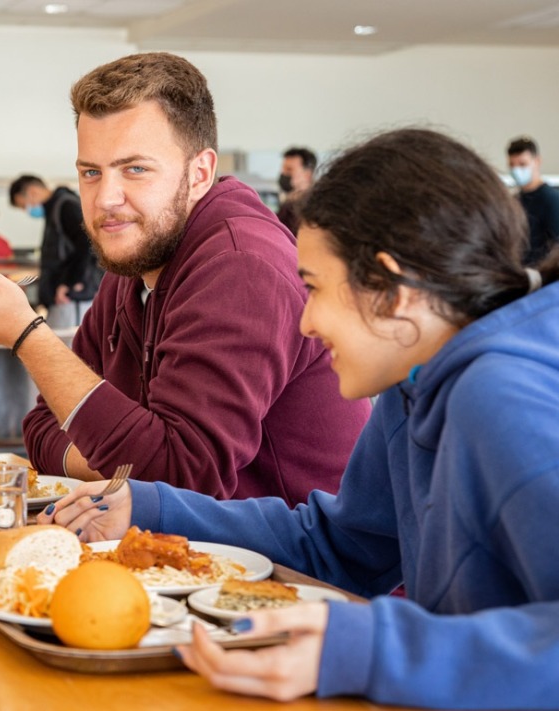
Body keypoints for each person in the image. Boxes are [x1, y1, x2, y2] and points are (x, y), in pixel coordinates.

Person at [40, 128, 559, 709]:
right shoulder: (410, 385)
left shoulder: (500, 397)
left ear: (390, 287)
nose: (306, 322)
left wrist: (368, 649)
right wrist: (155, 506)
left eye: (312, 288)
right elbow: (342, 546)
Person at [0, 53, 369, 506]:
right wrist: (126, 459)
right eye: (90, 172)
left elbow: (180, 481)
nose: (106, 198)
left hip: (295, 574)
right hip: (180, 560)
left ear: (200, 172)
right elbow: (43, 430)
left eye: (135, 169)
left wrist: (26, 335)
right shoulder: (137, 258)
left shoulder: (241, 266)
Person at [8, 173, 101, 328]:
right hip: (62, 297)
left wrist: (71, 282)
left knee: (71, 348)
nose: (27, 211)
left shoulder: (66, 206)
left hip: (72, 298)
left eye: (24, 205)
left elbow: (87, 244)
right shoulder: (55, 210)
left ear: (33, 192)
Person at [506, 136, 559, 265]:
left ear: (537, 161)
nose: (516, 170)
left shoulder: (551, 199)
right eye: (512, 165)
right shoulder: (514, 201)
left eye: (522, 164)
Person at [275, 146, 315, 235]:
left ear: (307, 174)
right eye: (283, 169)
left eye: (289, 170)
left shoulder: (313, 210)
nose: (283, 174)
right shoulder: (287, 207)